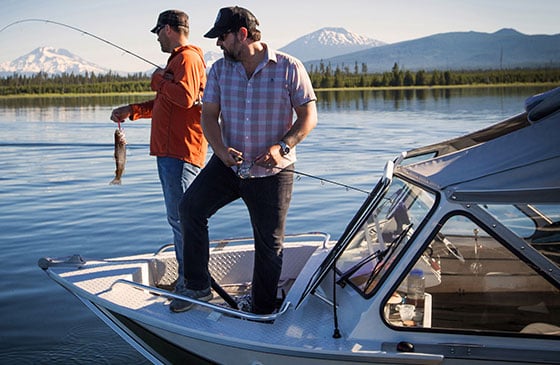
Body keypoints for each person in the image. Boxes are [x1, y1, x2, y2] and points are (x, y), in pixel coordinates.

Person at [170, 6, 318, 314]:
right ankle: (197, 287)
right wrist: (221, 150)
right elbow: (208, 116)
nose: (218, 44)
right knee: (190, 208)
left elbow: (308, 117)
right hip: (228, 165)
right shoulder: (221, 70)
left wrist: (283, 147)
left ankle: (262, 308)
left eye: (222, 37)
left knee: (269, 243)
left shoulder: (290, 67)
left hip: (273, 171)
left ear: (242, 34)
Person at [110, 10, 207, 290]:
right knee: (180, 219)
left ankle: (191, 283)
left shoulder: (187, 58)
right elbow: (168, 102)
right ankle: (189, 278)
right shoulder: (178, 61)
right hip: (171, 153)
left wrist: (159, 80)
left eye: (157, 33)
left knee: (183, 220)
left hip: (180, 153)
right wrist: (133, 110)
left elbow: (186, 99)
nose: (157, 40)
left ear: (167, 29)